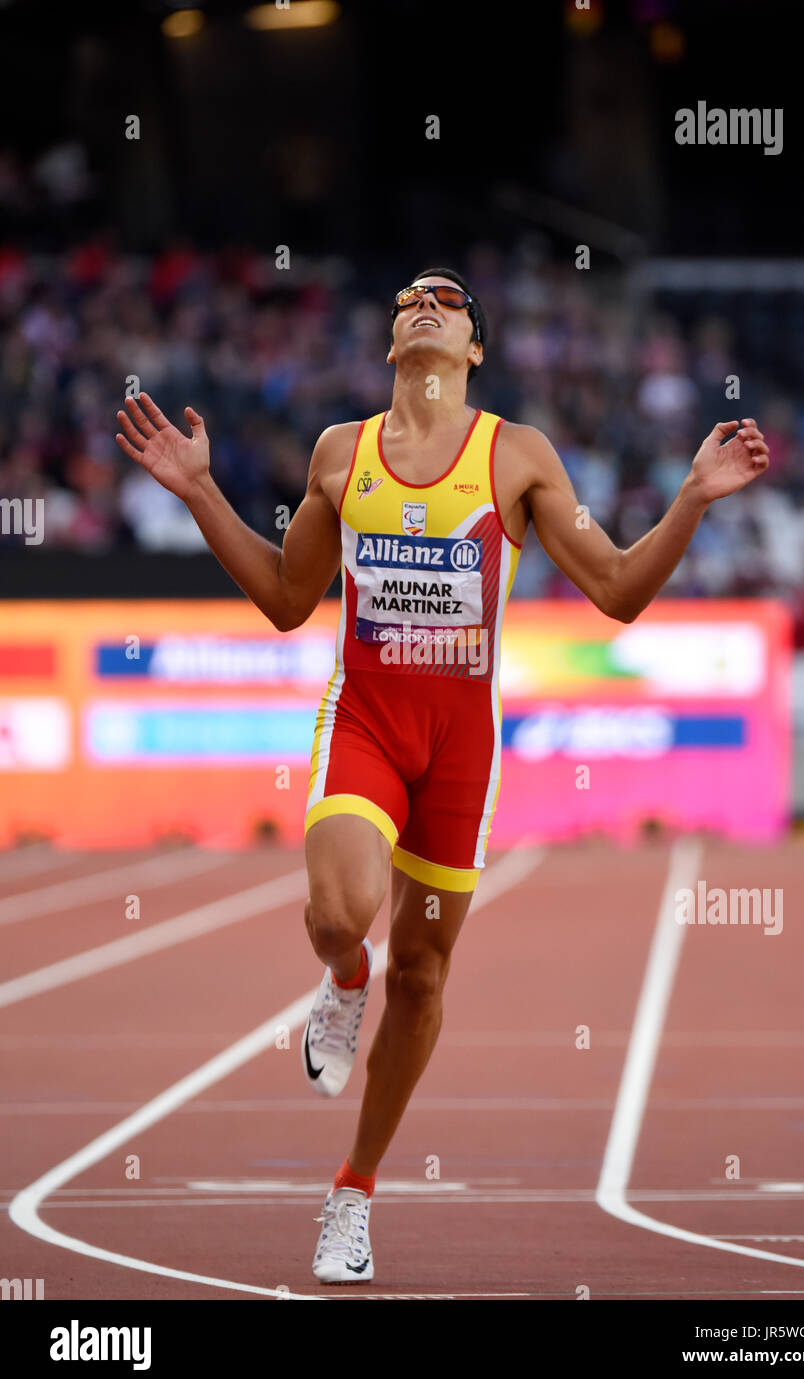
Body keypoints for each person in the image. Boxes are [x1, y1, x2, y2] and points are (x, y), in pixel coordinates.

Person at [115, 267, 770, 1283]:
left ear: (473, 349)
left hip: (460, 750)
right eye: (407, 299)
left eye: (450, 298)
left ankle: (354, 1190)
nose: (425, 302)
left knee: (423, 975)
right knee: (344, 913)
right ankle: (341, 979)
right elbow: (290, 600)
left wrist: (690, 497)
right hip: (368, 722)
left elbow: (618, 591)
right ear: (390, 348)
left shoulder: (516, 454)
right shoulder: (342, 451)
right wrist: (200, 488)